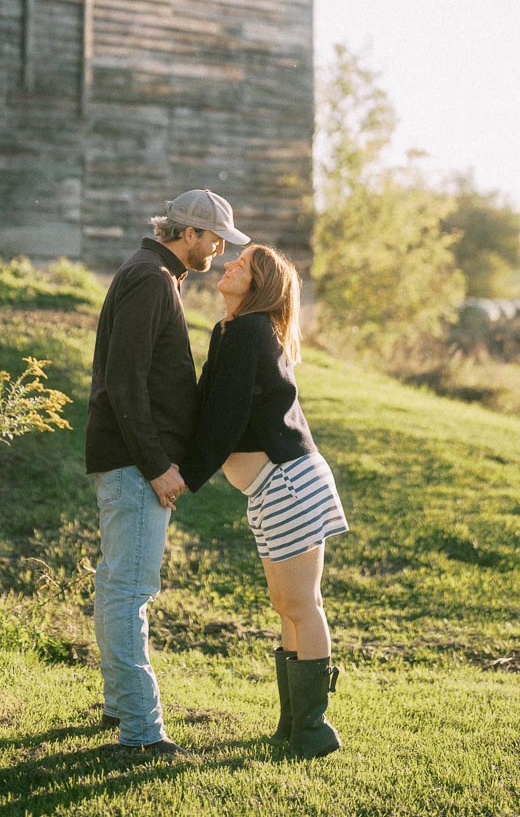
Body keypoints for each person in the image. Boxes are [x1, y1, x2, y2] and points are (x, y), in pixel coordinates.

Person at [85, 189, 250, 759]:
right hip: (136, 465)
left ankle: (118, 704)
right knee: (131, 590)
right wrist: (157, 466)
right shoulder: (152, 279)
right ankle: (142, 732)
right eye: (216, 239)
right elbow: (123, 382)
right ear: (189, 234)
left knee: (116, 586)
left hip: (128, 460)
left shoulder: (152, 274)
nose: (219, 250)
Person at [179, 243, 348, 759]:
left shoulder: (252, 330)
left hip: (290, 482)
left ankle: (314, 729)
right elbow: (206, 405)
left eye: (242, 264)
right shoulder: (229, 331)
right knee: (285, 604)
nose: (228, 264)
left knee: (302, 603)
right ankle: (292, 723)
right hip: (270, 489)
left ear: (259, 285)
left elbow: (226, 417)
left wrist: (185, 479)